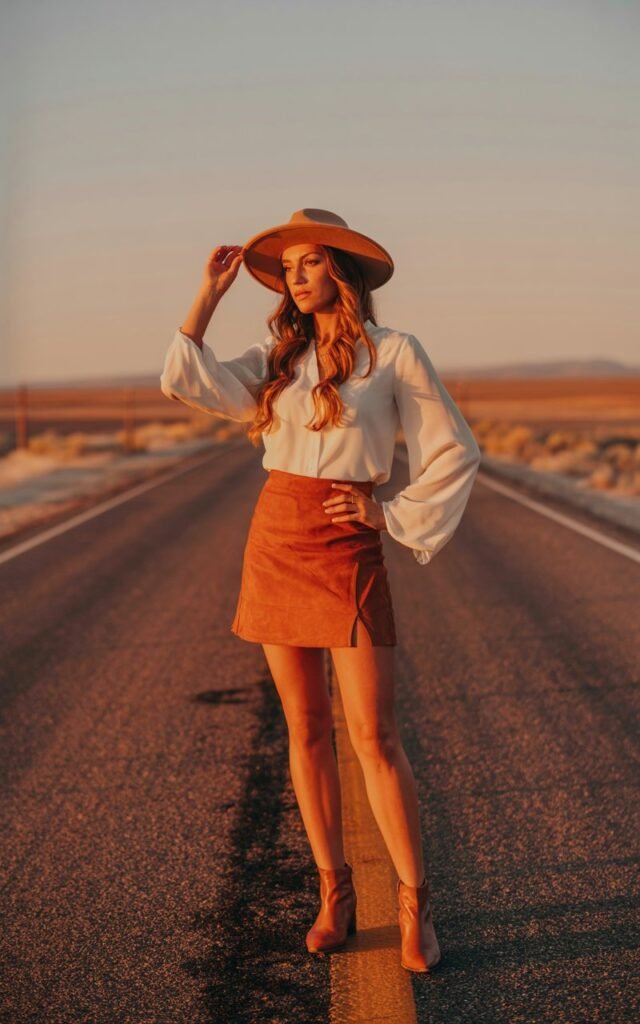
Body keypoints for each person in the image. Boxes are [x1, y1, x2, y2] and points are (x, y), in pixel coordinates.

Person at [160, 208, 481, 973]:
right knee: (303, 728)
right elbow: (185, 378)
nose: (296, 278)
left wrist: (389, 509)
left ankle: (415, 905)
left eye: (309, 263)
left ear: (342, 270)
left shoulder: (395, 353)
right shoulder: (278, 354)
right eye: (288, 268)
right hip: (277, 535)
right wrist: (207, 292)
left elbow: (455, 450)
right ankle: (335, 894)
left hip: (348, 541)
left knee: (373, 736)